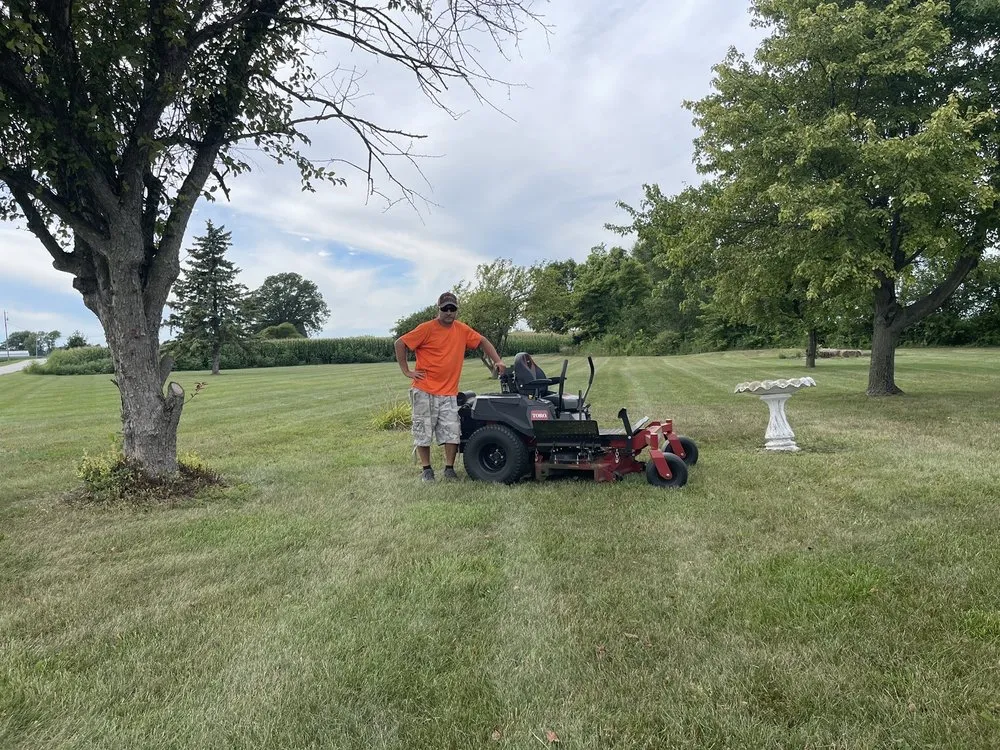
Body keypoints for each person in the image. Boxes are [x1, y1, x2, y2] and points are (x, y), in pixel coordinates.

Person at [394, 291, 507, 482]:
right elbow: (400, 343)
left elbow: (482, 341)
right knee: (423, 431)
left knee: (452, 431)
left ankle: (449, 469)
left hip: (448, 392)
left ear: (456, 310)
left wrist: (498, 361)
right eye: (444, 309)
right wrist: (407, 371)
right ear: (438, 309)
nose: (448, 312)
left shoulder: (462, 330)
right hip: (425, 390)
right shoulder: (426, 329)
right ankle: (427, 470)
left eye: (452, 309)